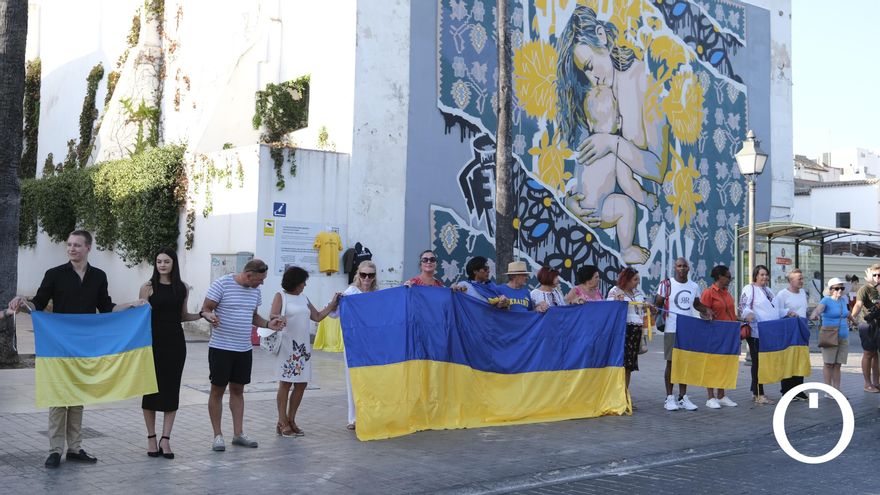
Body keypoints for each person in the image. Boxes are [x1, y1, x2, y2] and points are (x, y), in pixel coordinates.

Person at [7, 230, 145, 468]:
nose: (71, 249)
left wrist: (133, 304)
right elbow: (38, 305)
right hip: (58, 342)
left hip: (85, 342)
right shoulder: (54, 274)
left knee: (78, 396)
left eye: (77, 245)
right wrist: (21, 303)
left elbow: (106, 307)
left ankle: (74, 448)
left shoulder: (99, 276)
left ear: (88, 248)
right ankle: (54, 450)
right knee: (59, 395)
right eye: (69, 245)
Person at [557, 4, 665, 265]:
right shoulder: (595, 98)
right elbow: (578, 170)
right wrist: (572, 203)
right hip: (601, 213)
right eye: (585, 71)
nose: (592, 77)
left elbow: (658, 170)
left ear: (601, 36)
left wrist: (613, 142)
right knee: (624, 207)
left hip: (630, 219)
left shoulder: (643, 80)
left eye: (591, 65)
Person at [200, 258, 285, 452]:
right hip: (221, 348)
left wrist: (267, 325)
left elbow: (253, 316)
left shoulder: (255, 291)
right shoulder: (222, 284)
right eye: (260, 279)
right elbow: (205, 308)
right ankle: (217, 436)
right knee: (217, 390)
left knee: (238, 390)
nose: (262, 283)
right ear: (249, 275)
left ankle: (238, 434)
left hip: (243, 349)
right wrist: (209, 316)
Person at [139, 248, 202, 459]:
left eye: (166, 261)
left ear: (173, 263)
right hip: (152, 343)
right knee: (150, 389)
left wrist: (202, 314)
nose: (162, 265)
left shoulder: (182, 288)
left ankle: (165, 439)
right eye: (158, 261)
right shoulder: (147, 287)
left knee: (171, 390)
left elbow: (183, 315)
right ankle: (151, 437)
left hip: (175, 343)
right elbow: (140, 318)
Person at [269, 266, 340, 437]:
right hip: (287, 346)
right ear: (294, 282)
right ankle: (282, 421)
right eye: (303, 282)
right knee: (285, 383)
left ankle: (291, 419)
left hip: (303, 347)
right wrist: (278, 318)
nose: (305, 285)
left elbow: (316, 316)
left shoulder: (304, 298)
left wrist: (333, 303)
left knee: (302, 383)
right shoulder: (281, 295)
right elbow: (272, 315)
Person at [655, 257, 713, 411]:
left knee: (685, 363)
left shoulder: (693, 286)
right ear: (675, 267)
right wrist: (654, 309)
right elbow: (657, 304)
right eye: (679, 266)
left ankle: (683, 397)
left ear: (689, 268)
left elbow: (696, 304)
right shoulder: (666, 285)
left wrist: (706, 310)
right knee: (671, 363)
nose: (681, 268)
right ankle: (669, 398)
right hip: (672, 329)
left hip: (688, 328)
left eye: (684, 266)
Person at [337, 261, 379, 430]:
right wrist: (338, 299)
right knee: (353, 379)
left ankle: (371, 413)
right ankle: (353, 418)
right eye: (363, 275)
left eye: (370, 275)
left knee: (372, 379)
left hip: (372, 342)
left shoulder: (377, 294)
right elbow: (334, 313)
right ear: (358, 274)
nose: (367, 278)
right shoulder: (350, 292)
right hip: (354, 342)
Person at [698, 265, 739, 408]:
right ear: (719, 277)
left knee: (724, 364)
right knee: (712, 364)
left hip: (728, 334)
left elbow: (731, 313)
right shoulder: (708, 293)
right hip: (713, 334)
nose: (730, 279)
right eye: (728, 276)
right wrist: (706, 314)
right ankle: (710, 397)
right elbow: (702, 312)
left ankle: (721, 395)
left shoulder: (727, 293)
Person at [740, 265, 778, 405]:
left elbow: (776, 308)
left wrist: (787, 312)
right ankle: (758, 394)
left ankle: (755, 389)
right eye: (761, 274)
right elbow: (743, 305)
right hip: (755, 331)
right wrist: (748, 313)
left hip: (768, 332)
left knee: (762, 362)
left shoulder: (769, 290)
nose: (764, 277)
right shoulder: (749, 289)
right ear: (755, 275)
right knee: (758, 363)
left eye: (766, 274)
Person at [811, 278, 855, 394]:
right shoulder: (825, 300)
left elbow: (847, 313)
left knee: (837, 364)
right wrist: (814, 314)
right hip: (830, 335)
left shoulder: (842, 300)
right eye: (837, 288)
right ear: (830, 290)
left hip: (843, 336)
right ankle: (828, 390)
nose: (840, 290)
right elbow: (818, 309)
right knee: (828, 363)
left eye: (842, 288)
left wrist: (855, 321)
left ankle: (836, 390)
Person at [606, 267, 646, 393]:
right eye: (635, 279)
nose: (637, 282)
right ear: (627, 280)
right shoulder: (615, 291)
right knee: (620, 365)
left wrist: (649, 308)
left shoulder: (638, 293)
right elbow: (610, 310)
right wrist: (618, 303)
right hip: (622, 331)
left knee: (629, 366)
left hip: (635, 331)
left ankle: (624, 395)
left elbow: (641, 310)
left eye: (638, 279)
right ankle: (616, 395)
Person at [776, 268, 809, 401]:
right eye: (799, 278)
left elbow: (803, 310)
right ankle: (786, 391)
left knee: (800, 360)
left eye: (802, 278)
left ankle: (799, 390)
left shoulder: (802, 293)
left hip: (801, 330)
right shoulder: (782, 294)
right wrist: (788, 312)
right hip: (788, 331)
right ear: (791, 280)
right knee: (788, 359)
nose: (802, 281)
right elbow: (777, 311)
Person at [850, 263, 880, 393]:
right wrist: (851, 317)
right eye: (875, 275)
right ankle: (867, 384)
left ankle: (876, 383)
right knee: (869, 353)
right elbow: (858, 304)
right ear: (869, 275)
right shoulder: (865, 289)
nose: (878, 277)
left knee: (876, 355)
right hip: (867, 325)